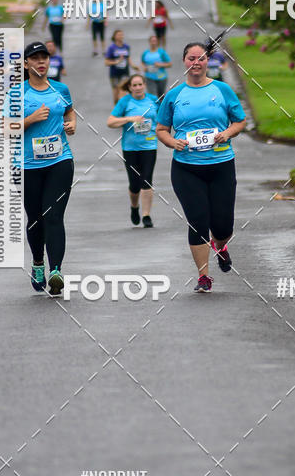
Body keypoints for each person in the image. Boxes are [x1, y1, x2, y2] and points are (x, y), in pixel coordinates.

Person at [156, 37, 246, 293]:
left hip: (221, 165)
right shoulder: (174, 95)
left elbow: (239, 121)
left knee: (222, 225)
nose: (196, 62)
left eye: (201, 58)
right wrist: (173, 142)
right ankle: (203, 276)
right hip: (186, 168)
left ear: (208, 61)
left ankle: (221, 246)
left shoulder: (222, 90)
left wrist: (227, 134)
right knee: (198, 221)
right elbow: (161, 129)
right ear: (184, 62)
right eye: (191, 58)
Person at [3, 41, 76, 295]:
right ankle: (37, 263)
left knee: (54, 216)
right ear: (25, 64)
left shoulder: (60, 88)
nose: (41, 62)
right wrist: (30, 119)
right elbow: (5, 129)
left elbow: (69, 111)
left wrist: (71, 125)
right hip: (25, 165)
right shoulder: (16, 94)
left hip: (60, 161)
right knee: (35, 219)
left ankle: (56, 271)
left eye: (44, 57)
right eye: (35, 58)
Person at [107, 73, 158, 228]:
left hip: (149, 145)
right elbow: (110, 122)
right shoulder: (125, 102)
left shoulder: (153, 100)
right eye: (134, 85)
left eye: (140, 84)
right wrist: (129, 119)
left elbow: (164, 119)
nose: (137, 88)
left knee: (147, 179)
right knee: (134, 184)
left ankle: (147, 215)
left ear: (144, 85)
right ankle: (134, 207)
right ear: (129, 88)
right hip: (130, 148)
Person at [105, 29, 136, 104]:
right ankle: (116, 110)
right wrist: (117, 62)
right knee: (116, 95)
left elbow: (128, 58)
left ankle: (122, 110)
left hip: (125, 73)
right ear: (114, 37)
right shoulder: (111, 48)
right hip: (114, 73)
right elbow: (106, 62)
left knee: (122, 92)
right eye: (118, 35)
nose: (121, 36)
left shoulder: (126, 47)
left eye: (122, 34)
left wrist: (133, 66)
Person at [141, 34, 171, 99]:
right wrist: (144, 67)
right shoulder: (145, 53)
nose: (153, 43)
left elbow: (169, 64)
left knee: (161, 97)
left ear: (157, 42)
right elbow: (142, 62)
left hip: (161, 77)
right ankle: (154, 109)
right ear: (149, 42)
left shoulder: (161, 52)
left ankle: (160, 108)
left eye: (155, 41)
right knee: (153, 96)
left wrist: (160, 65)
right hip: (149, 77)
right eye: (152, 41)